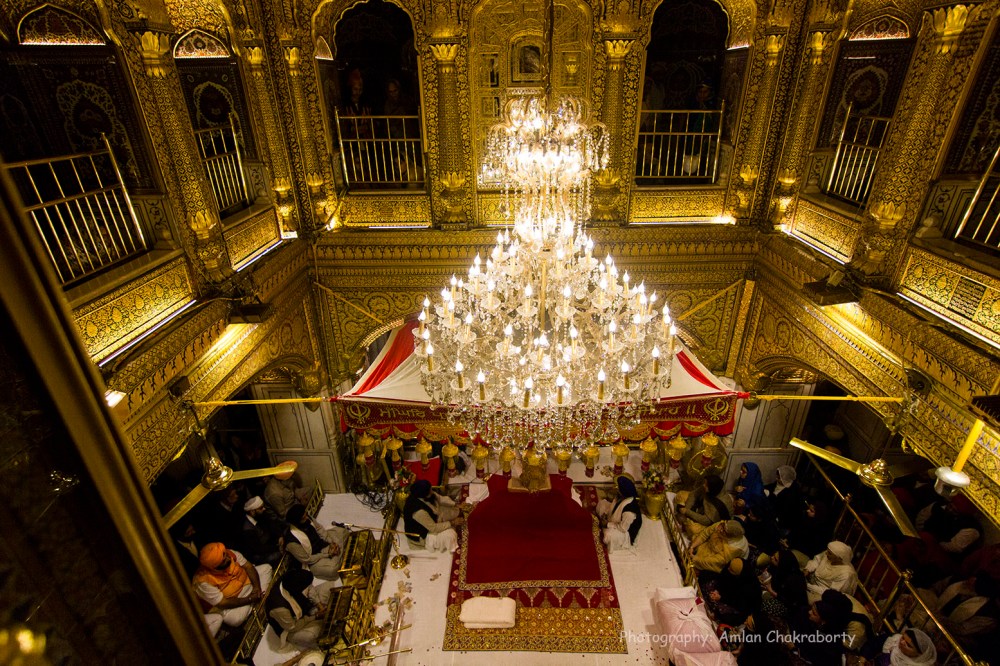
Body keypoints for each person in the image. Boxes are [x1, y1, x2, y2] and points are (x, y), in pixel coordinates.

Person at [192, 542, 272, 633]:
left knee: (266, 568)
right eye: (223, 561)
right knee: (236, 620)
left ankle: (258, 596)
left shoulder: (229, 553)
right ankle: (259, 597)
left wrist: (256, 588)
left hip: (248, 585)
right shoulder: (202, 581)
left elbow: (248, 567)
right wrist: (250, 599)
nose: (227, 558)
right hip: (231, 601)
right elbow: (223, 603)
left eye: (225, 555)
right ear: (214, 567)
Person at [265, 568, 327, 650]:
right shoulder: (279, 607)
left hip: (305, 609)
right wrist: (316, 616)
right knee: (311, 636)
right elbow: (292, 627)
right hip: (291, 627)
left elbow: (309, 586)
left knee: (329, 586)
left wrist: (319, 605)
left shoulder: (290, 577)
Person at [284, 504, 348, 580]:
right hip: (314, 558)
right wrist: (328, 555)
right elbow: (307, 559)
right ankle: (340, 553)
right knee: (332, 569)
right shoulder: (291, 542)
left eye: (306, 515)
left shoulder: (307, 517)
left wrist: (331, 542)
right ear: (297, 522)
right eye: (303, 518)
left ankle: (339, 554)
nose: (307, 517)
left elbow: (319, 529)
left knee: (343, 531)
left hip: (322, 544)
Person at [402, 479, 464, 553]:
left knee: (454, 510)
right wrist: (452, 522)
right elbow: (434, 528)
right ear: (424, 494)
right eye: (430, 490)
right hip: (424, 533)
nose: (432, 491)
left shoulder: (426, 493)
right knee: (450, 535)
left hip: (432, 520)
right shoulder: (419, 512)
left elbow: (440, 499)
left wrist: (456, 504)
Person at [595, 475, 642, 551]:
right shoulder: (620, 496)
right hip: (614, 519)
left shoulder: (629, 511)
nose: (617, 489)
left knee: (608, 535)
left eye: (618, 488)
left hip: (625, 532)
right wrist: (606, 514)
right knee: (601, 504)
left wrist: (607, 524)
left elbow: (623, 528)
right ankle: (605, 525)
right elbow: (613, 507)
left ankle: (612, 535)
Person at [239, 495, 285, 566]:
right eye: (261, 508)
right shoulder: (248, 529)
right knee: (277, 555)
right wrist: (277, 547)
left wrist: (280, 536)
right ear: (252, 511)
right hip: (259, 553)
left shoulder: (261, 515)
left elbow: (272, 524)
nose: (264, 509)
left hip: (269, 544)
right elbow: (258, 549)